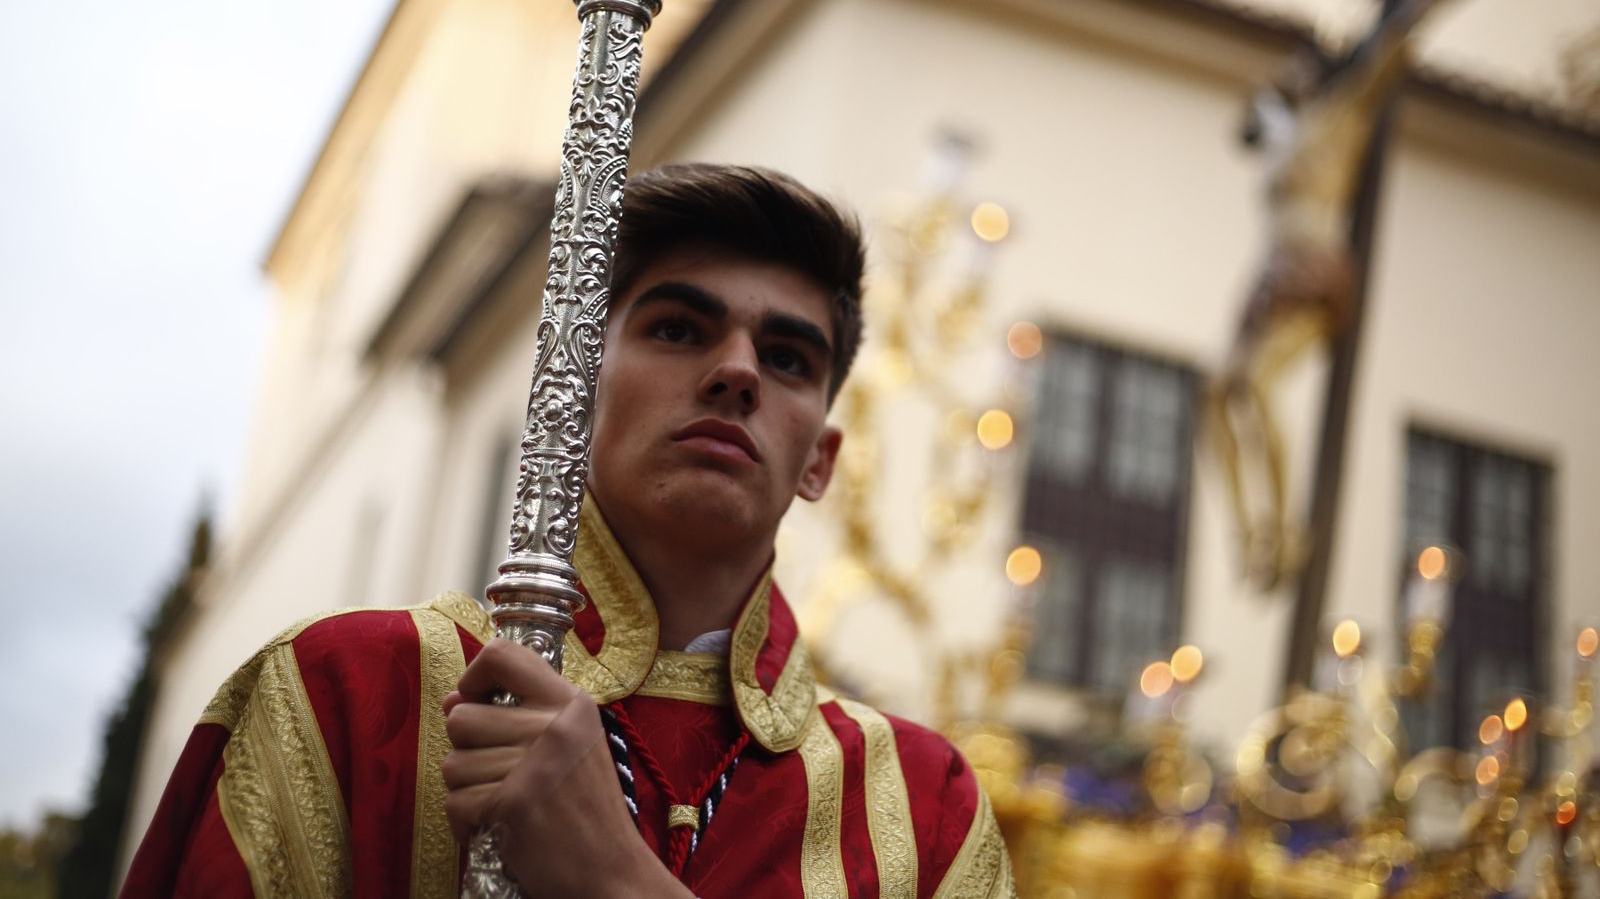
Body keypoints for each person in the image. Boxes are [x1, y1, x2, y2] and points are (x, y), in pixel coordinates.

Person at [122, 164, 1016, 898]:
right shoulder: (351, 695)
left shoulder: (922, 806)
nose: (737, 370)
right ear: (571, 399)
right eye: (679, 329)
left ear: (820, 460)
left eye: (786, 358)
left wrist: (616, 882)